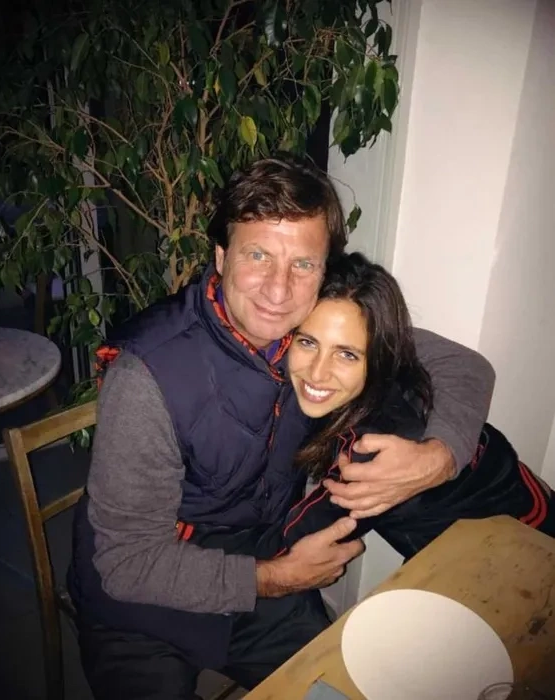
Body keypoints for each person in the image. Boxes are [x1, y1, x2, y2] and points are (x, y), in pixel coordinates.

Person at [68, 154, 496, 700]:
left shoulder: (316, 324)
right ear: (221, 257)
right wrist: (278, 577)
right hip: (138, 602)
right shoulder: (146, 377)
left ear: (324, 271)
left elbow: (464, 367)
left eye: (303, 264)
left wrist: (439, 456)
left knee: (346, 686)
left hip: (255, 563)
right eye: (258, 255)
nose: (278, 290)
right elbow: (127, 563)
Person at [189, 252, 554, 562]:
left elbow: (295, 543)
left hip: (522, 532)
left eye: (346, 354)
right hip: (454, 540)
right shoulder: (368, 356)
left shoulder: (370, 451)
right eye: (308, 342)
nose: (317, 373)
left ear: (380, 356)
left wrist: (189, 545)